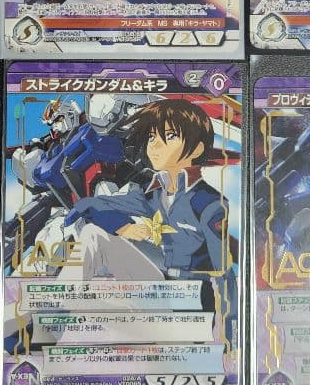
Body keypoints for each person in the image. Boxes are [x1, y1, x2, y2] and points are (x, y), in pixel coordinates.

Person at [62, 98, 233, 281]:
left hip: (192, 290)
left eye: (170, 136)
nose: (155, 144)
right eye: (152, 137)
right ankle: (61, 297)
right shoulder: (153, 194)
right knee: (93, 234)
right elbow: (87, 204)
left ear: (197, 149)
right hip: (161, 281)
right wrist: (123, 226)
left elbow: (222, 271)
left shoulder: (210, 203)